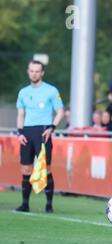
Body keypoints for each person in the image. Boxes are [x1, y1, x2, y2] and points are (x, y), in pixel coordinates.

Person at [15, 60, 64, 213]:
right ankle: (25, 204)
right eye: (31, 71)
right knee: (26, 169)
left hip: (43, 132)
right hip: (27, 133)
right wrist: (20, 132)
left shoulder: (51, 90)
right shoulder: (23, 92)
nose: (34, 73)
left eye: (37, 71)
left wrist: (52, 127)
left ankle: (49, 205)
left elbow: (60, 112)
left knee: (46, 168)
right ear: (28, 72)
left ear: (42, 73)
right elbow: (21, 114)